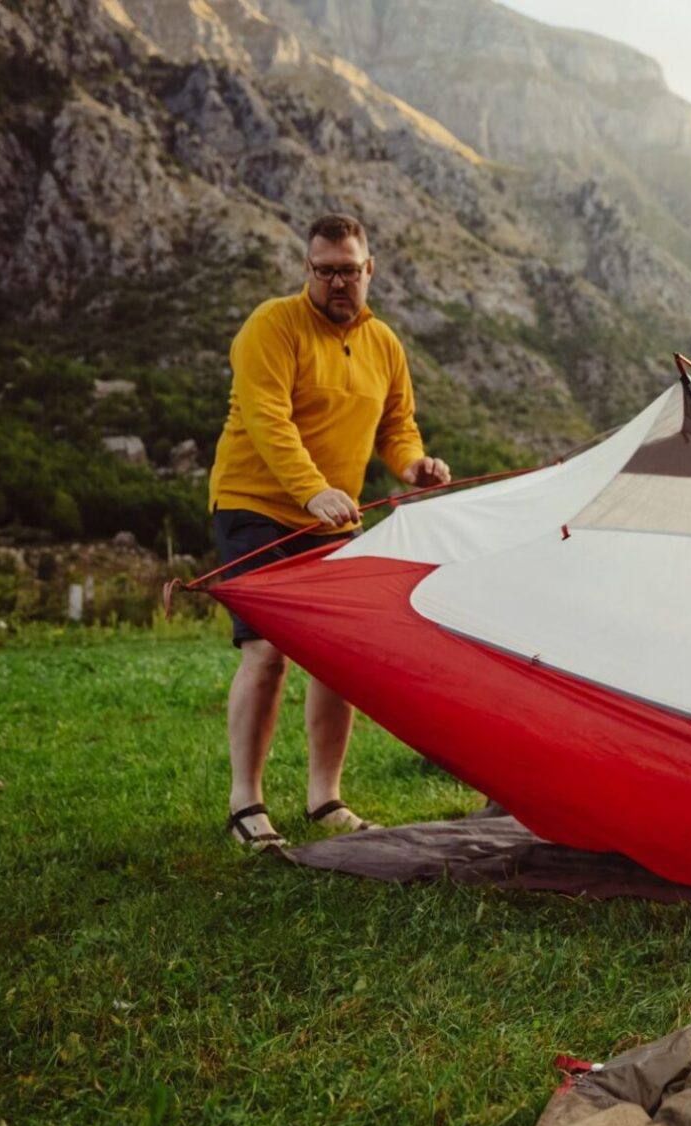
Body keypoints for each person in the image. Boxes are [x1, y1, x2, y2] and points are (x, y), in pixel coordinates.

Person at [209, 213, 450, 851]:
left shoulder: (385, 345)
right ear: (306, 270)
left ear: (370, 269)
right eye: (324, 271)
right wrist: (310, 488)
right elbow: (266, 418)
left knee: (335, 658)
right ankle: (246, 804)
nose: (336, 283)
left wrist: (413, 465)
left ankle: (324, 799)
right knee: (266, 651)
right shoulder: (272, 325)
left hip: (333, 513)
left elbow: (397, 426)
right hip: (254, 504)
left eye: (348, 270)